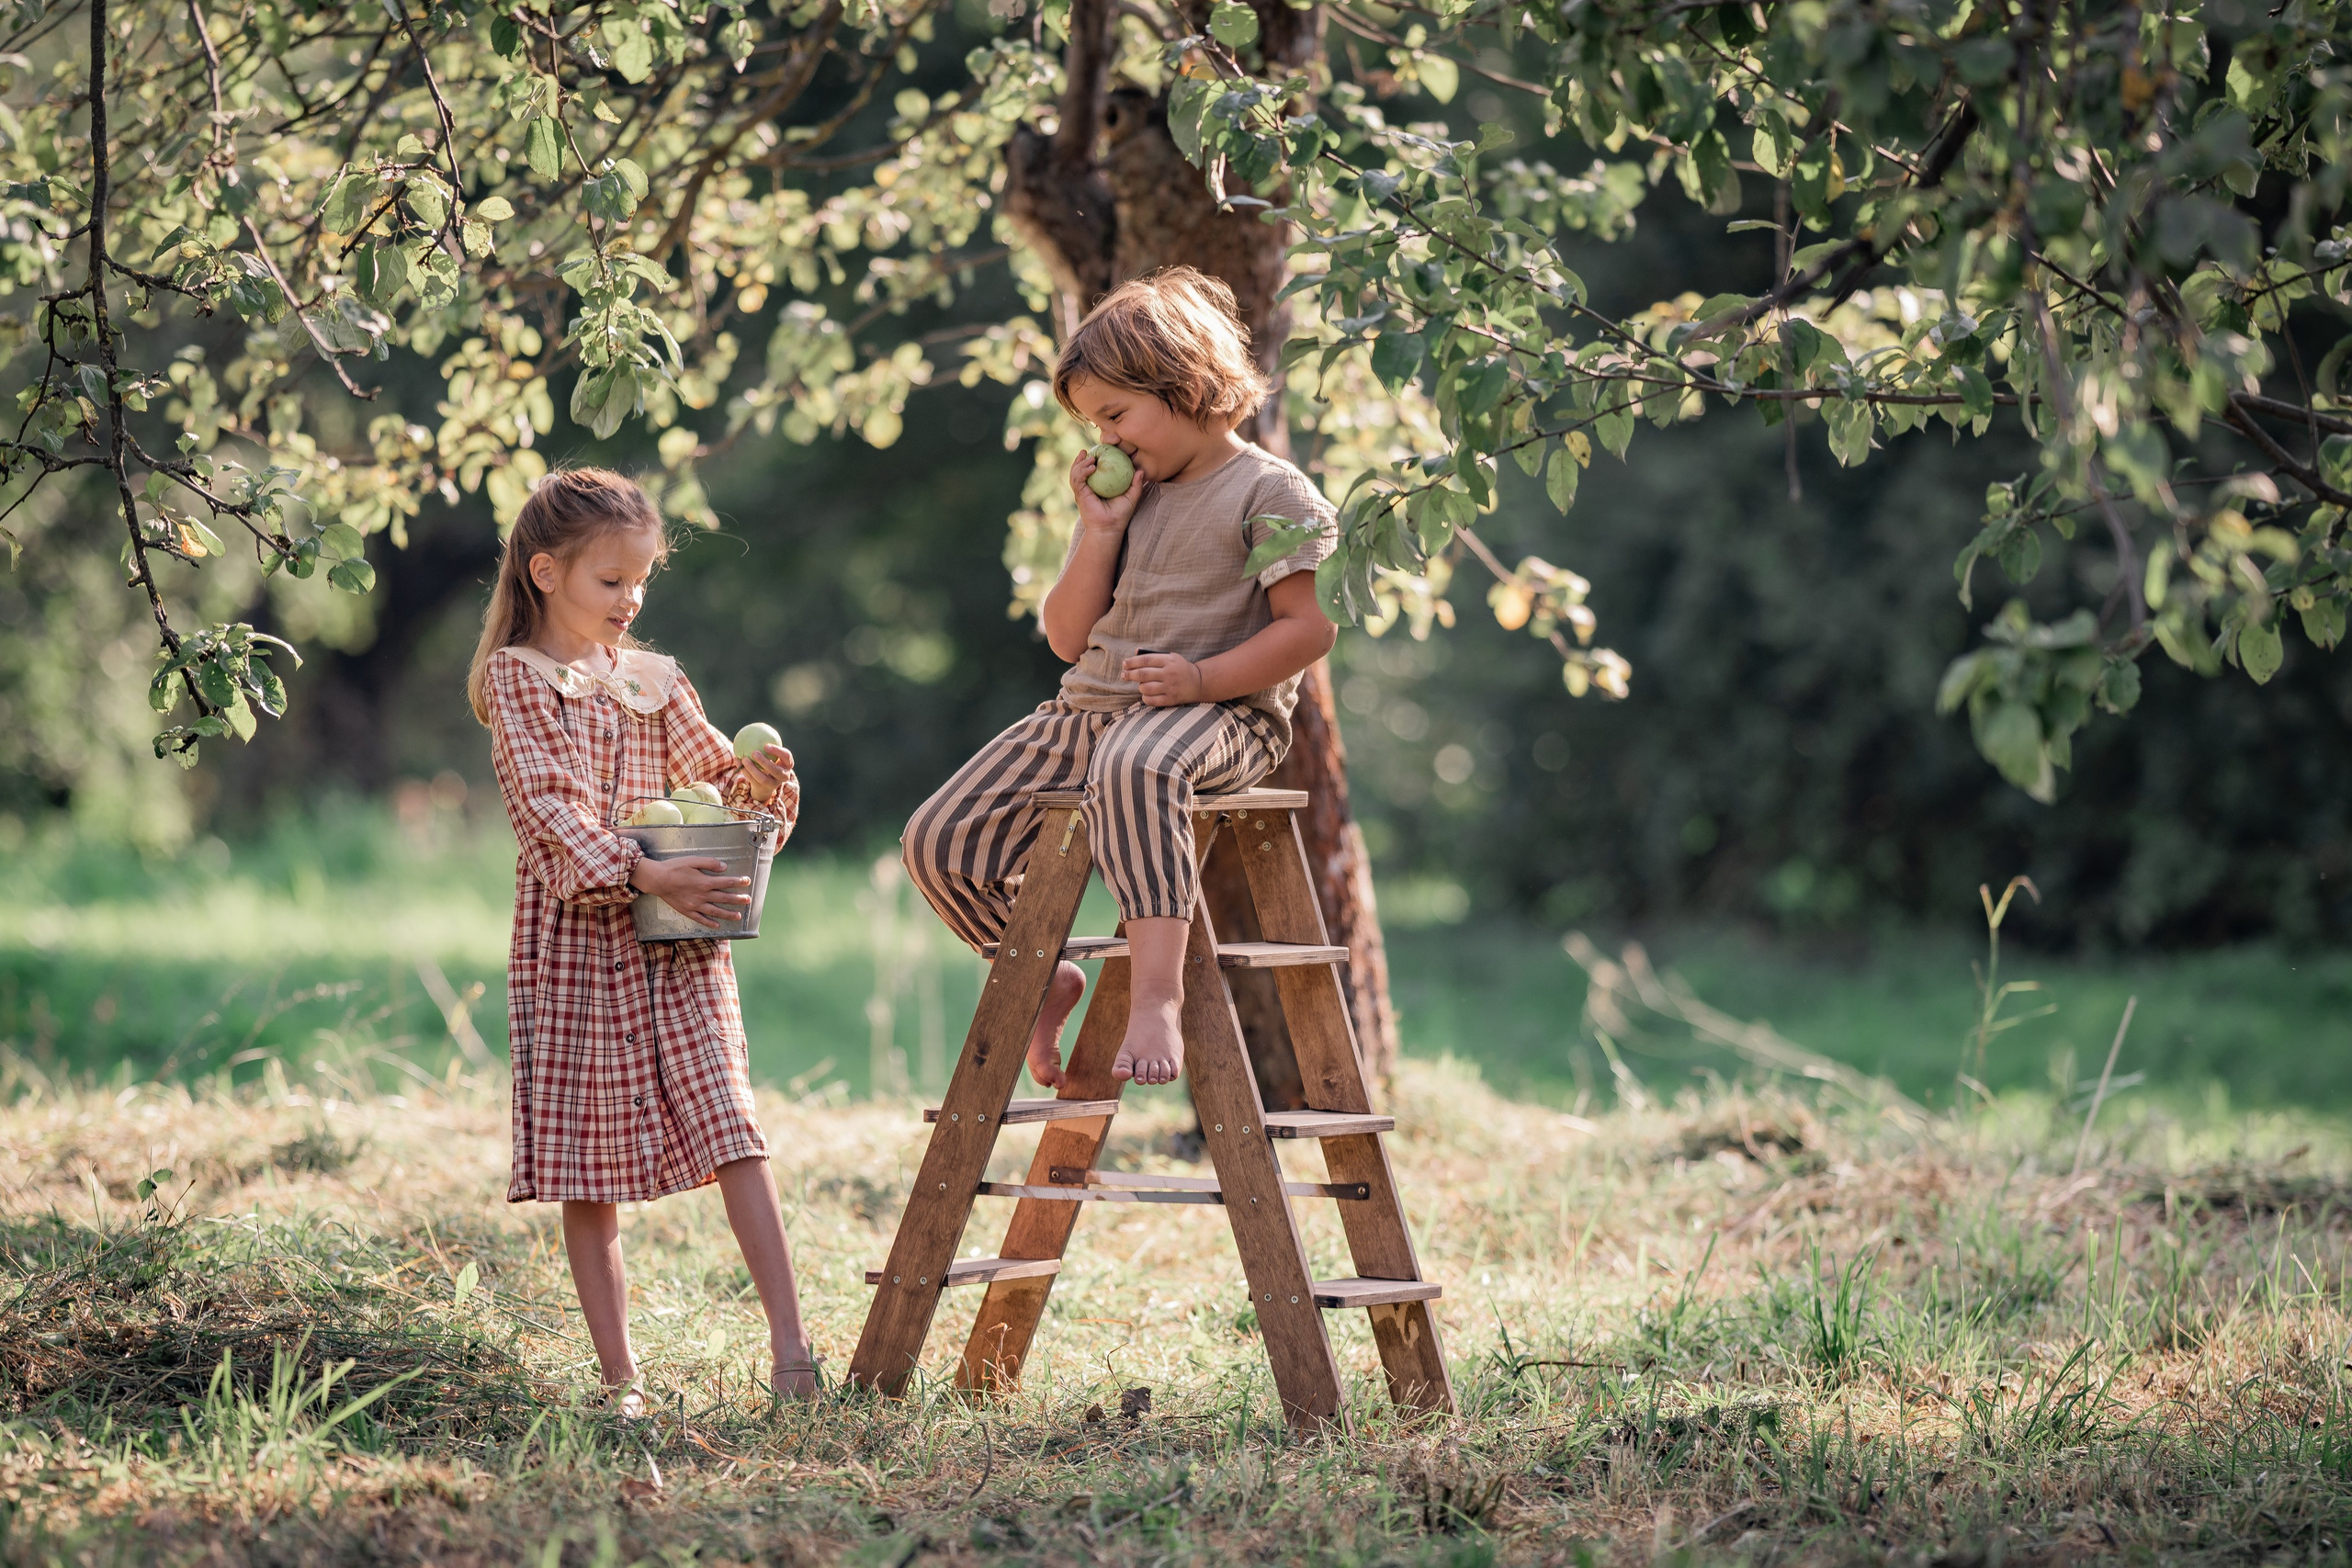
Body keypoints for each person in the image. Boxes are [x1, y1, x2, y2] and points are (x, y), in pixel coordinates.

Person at [903, 266, 1337, 1088]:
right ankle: (1042, 973)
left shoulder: (1273, 492)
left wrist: (1202, 678)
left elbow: (1308, 630)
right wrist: (1098, 529)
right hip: (1089, 711)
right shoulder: (1124, 494)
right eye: (1093, 422)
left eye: (1115, 413)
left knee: (1138, 764)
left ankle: (1155, 996)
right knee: (937, 839)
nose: (1104, 438)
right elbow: (1067, 639)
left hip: (1219, 718)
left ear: (1188, 383)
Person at [466, 466, 818, 1406]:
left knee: (733, 1128)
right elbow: (544, 807)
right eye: (611, 581)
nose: (631, 600)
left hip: (682, 937)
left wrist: (758, 778)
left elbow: (719, 782)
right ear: (546, 574)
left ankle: (794, 1352)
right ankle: (622, 1379)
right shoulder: (519, 679)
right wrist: (642, 870)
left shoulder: (655, 683)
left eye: (642, 582)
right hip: (582, 947)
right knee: (594, 1168)